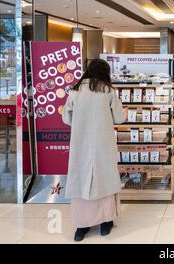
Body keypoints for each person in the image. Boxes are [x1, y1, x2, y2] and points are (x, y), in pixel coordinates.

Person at [62, 59, 126, 242]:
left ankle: (82, 226)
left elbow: (66, 118)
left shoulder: (76, 91)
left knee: (82, 179)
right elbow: (119, 118)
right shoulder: (108, 91)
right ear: (105, 73)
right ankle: (106, 222)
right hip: (103, 144)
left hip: (80, 144)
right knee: (104, 177)